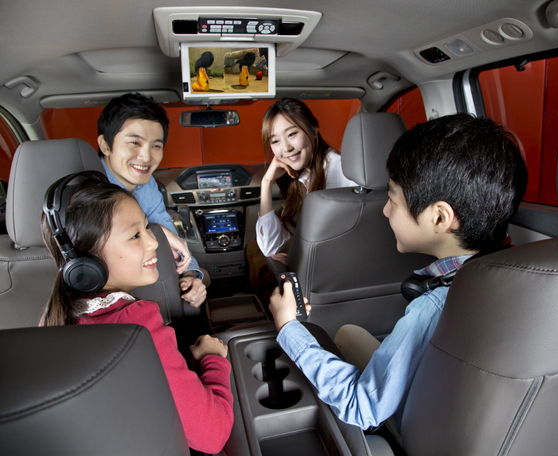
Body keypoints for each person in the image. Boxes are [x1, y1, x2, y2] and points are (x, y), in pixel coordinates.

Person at [268, 113, 528, 431]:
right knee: (350, 334)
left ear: (439, 218)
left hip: (415, 427)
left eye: (392, 198)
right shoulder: (526, 273)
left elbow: (361, 407)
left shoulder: (431, 309)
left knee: (344, 335)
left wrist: (288, 327)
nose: (385, 209)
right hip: (484, 418)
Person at [40, 174, 233, 453]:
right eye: (135, 235)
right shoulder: (136, 322)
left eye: (147, 228)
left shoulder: (53, 316)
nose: (154, 243)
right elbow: (213, 435)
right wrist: (213, 359)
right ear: (86, 259)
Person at [96, 92, 208, 307]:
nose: (146, 157)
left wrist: (191, 275)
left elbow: (173, 241)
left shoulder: (147, 185)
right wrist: (156, 231)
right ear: (105, 145)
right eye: (134, 143)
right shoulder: (88, 188)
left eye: (156, 146)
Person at [256, 98, 356, 259]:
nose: (286, 148)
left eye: (292, 134)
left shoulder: (341, 170)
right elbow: (271, 248)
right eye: (275, 141)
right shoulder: (300, 176)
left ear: (313, 130)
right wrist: (266, 182)